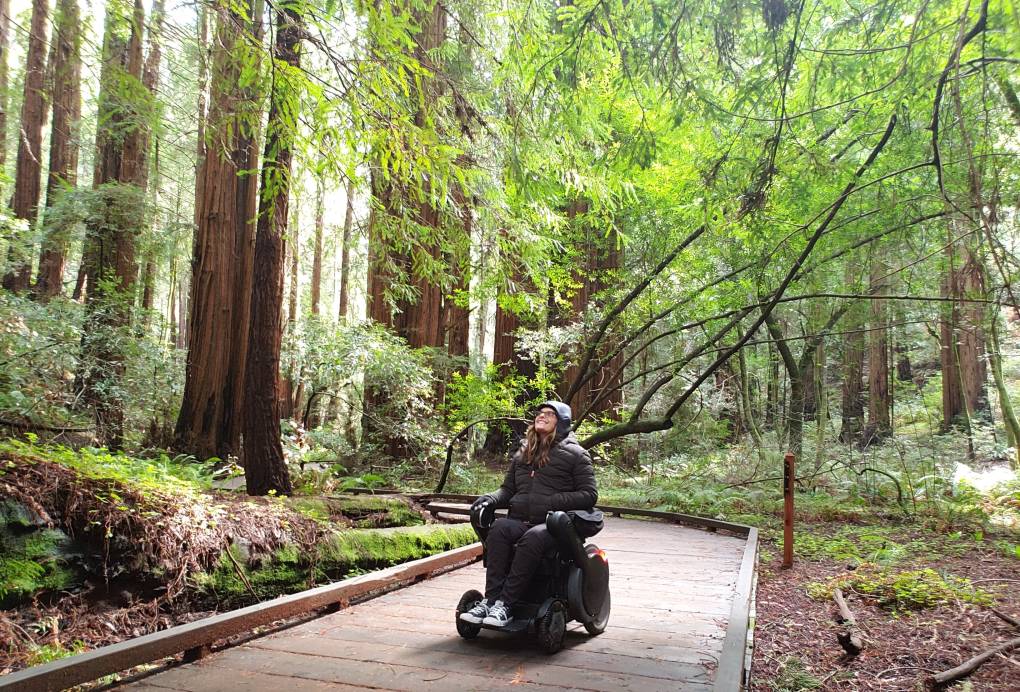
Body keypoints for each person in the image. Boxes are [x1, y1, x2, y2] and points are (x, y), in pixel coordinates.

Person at [459, 401, 597, 628]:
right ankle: (491, 601)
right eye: (540, 413)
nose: (542, 416)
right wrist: (491, 499)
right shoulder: (524, 453)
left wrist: (553, 501)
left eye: (549, 414)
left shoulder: (576, 455)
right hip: (520, 520)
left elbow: (590, 495)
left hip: (553, 526)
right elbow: (508, 490)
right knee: (499, 530)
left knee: (532, 538)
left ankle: (505, 604)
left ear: (561, 422)